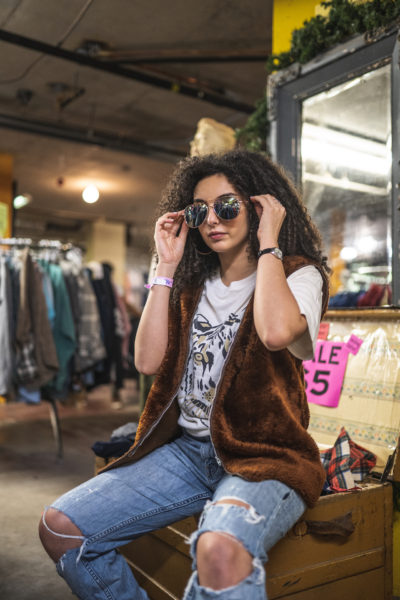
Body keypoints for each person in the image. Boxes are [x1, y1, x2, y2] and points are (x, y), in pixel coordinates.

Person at [39, 149, 330, 600]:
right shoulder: (191, 284)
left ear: (259, 206)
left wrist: (270, 243)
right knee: (61, 528)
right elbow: (147, 362)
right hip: (189, 454)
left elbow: (275, 333)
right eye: (200, 210)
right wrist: (167, 266)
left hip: (265, 457)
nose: (213, 219)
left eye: (228, 206)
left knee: (219, 550)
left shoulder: (298, 276)